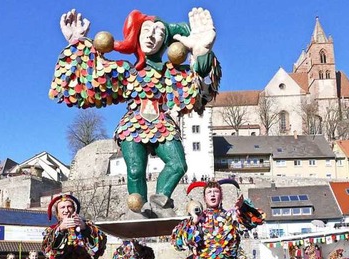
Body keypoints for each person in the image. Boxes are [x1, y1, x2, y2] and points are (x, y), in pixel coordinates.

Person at [50, 8, 221, 217]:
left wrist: (201, 51)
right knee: (135, 170)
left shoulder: (171, 73)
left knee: (178, 164)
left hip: (162, 123)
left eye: (159, 33)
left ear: (166, 42)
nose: (151, 36)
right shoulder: (126, 71)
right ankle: (137, 210)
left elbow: (197, 87)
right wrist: (78, 41)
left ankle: (160, 202)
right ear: (137, 36)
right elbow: (91, 77)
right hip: (133, 124)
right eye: (146, 30)